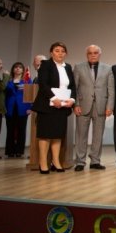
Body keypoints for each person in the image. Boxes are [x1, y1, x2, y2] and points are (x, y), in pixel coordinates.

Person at [31, 42, 76, 174]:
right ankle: (43, 163)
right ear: (51, 53)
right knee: (45, 135)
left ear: (66, 54)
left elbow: (72, 86)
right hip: (47, 105)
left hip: (62, 106)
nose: (60, 53)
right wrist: (53, 98)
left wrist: (72, 100)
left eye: (62, 51)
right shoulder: (45, 65)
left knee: (57, 135)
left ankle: (56, 162)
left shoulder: (67, 67)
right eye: (57, 50)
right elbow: (43, 84)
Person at [73, 45, 114, 171]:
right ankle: (80, 161)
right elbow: (74, 87)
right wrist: (76, 105)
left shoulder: (108, 68)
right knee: (81, 135)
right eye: (90, 53)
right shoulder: (78, 67)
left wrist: (110, 106)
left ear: (99, 54)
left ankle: (95, 161)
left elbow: (111, 89)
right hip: (83, 105)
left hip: (101, 106)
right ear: (87, 54)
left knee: (98, 135)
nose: (93, 55)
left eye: (95, 53)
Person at [4, 62, 32, 158]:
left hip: (23, 108)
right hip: (10, 108)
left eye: (20, 67)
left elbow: (31, 95)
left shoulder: (27, 80)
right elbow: (4, 95)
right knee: (10, 130)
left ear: (23, 70)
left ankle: (19, 151)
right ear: (13, 69)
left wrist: (30, 108)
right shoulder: (8, 80)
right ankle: (10, 151)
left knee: (21, 130)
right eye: (16, 67)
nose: (18, 69)